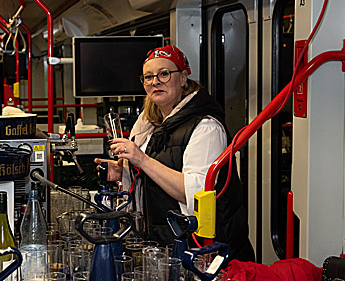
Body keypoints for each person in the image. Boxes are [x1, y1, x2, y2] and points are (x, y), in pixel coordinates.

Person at [95, 45, 254, 262]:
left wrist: (141, 159)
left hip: (201, 249)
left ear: (183, 78)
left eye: (164, 74)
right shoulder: (147, 125)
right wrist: (123, 172)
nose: (155, 81)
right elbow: (151, 177)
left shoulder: (206, 127)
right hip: (163, 240)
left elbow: (195, 194)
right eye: (148, 77)